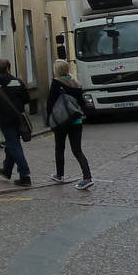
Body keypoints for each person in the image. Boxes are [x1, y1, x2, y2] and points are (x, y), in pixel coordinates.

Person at [47, 59, 93, 190]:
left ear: (57, 70)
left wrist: (49, 120)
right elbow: (83, 104)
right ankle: (87, 177)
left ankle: (59, 175)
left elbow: (50, 104)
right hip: (76, 121)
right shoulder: (76, 84)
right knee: (77, 150)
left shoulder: (56, 84)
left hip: (61, 121)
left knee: (59, 148)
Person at [0, 59, 32, 186]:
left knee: (13, 145)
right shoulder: (18, 82)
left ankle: (25, 175)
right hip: (19, 118)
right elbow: (27, 99)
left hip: (4, 119)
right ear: (8, 68)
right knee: (12, 144)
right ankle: (7, 169)